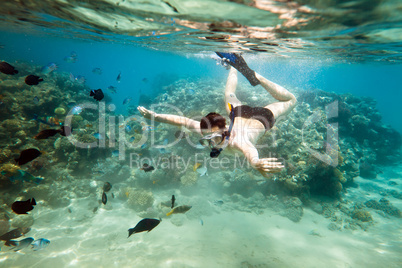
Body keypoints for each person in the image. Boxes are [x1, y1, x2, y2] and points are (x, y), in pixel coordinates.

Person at [137, 53, 297, 177]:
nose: (212, 143)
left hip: (263, 118)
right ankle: (234, 65)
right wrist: (155, 116)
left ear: (226, 130)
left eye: (213, 138)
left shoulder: (238, 142)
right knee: (228, 93)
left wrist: (256, 163)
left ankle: (257, 77)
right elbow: (183, 121)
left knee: (291, 100)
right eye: (207, 139)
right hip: (239, 113)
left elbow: (250, 152)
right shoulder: (209, 131)